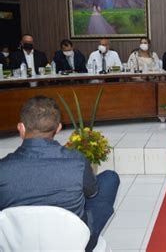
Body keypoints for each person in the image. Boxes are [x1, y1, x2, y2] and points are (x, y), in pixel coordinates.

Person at [0, 96, 120, 251]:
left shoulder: (3, 168)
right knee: (109, 178)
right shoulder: (76, 161)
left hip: (19, 243)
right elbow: (91, 193)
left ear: (21, 128)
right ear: (58, 128)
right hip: (73, 241)